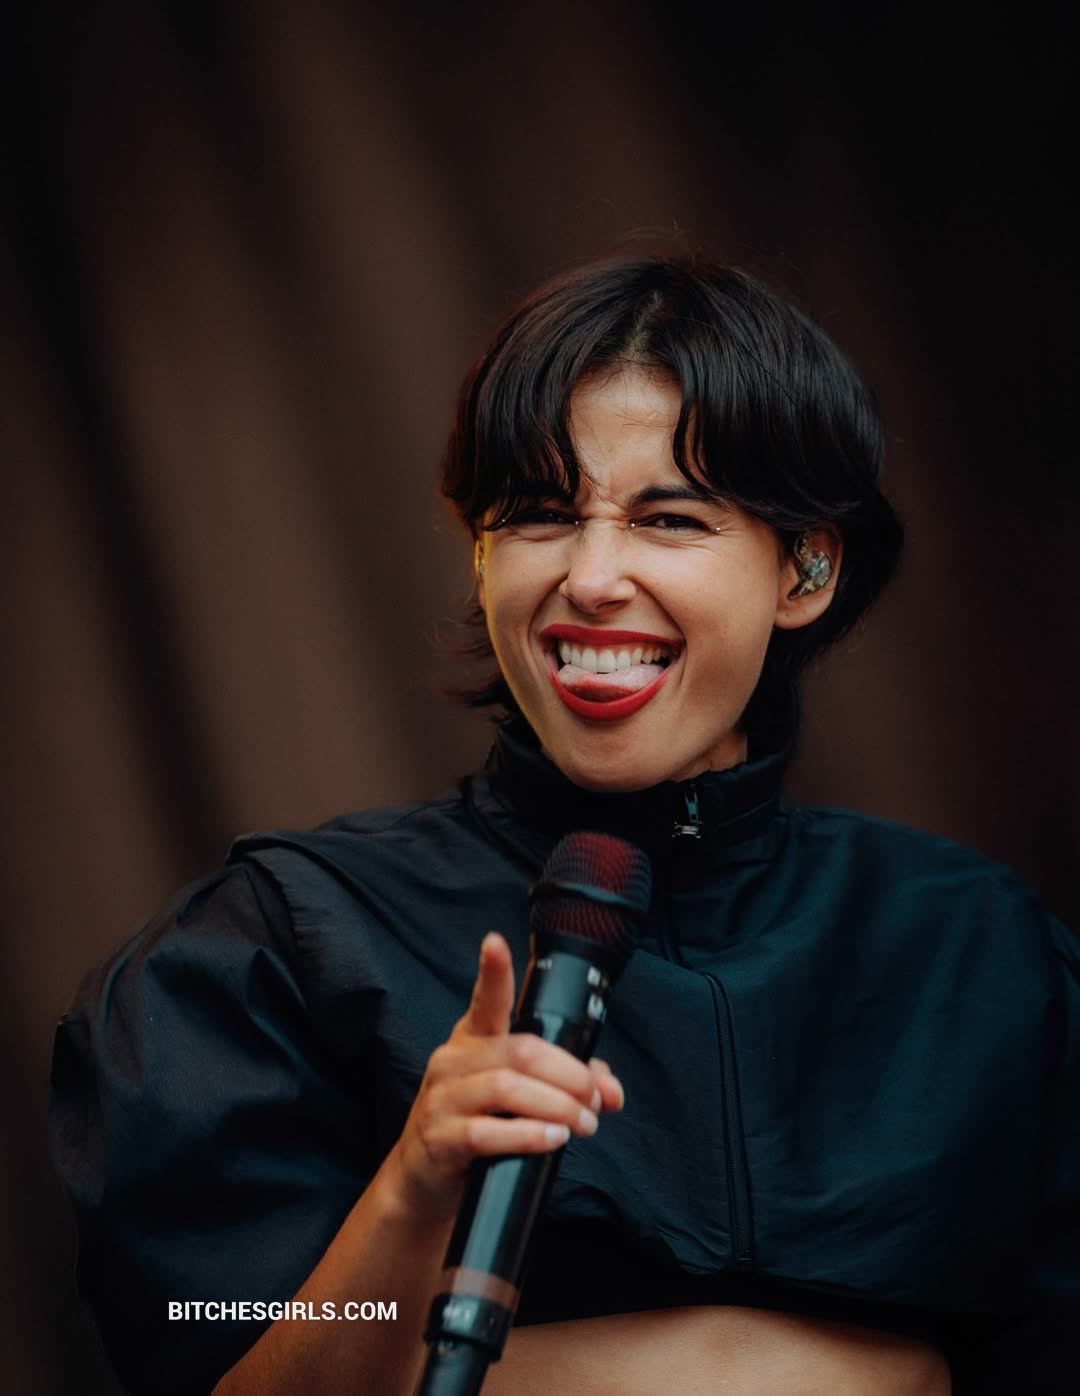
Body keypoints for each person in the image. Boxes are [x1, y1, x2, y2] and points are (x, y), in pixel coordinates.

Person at [51, 254, 1078, 1395]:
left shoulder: (985, 957)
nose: (592, 578)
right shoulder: (275, 951)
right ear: (482, 555)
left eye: (669, 517)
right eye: (540, 515)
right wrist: (412, 1188)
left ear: (806, 569)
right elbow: (219, 1352)